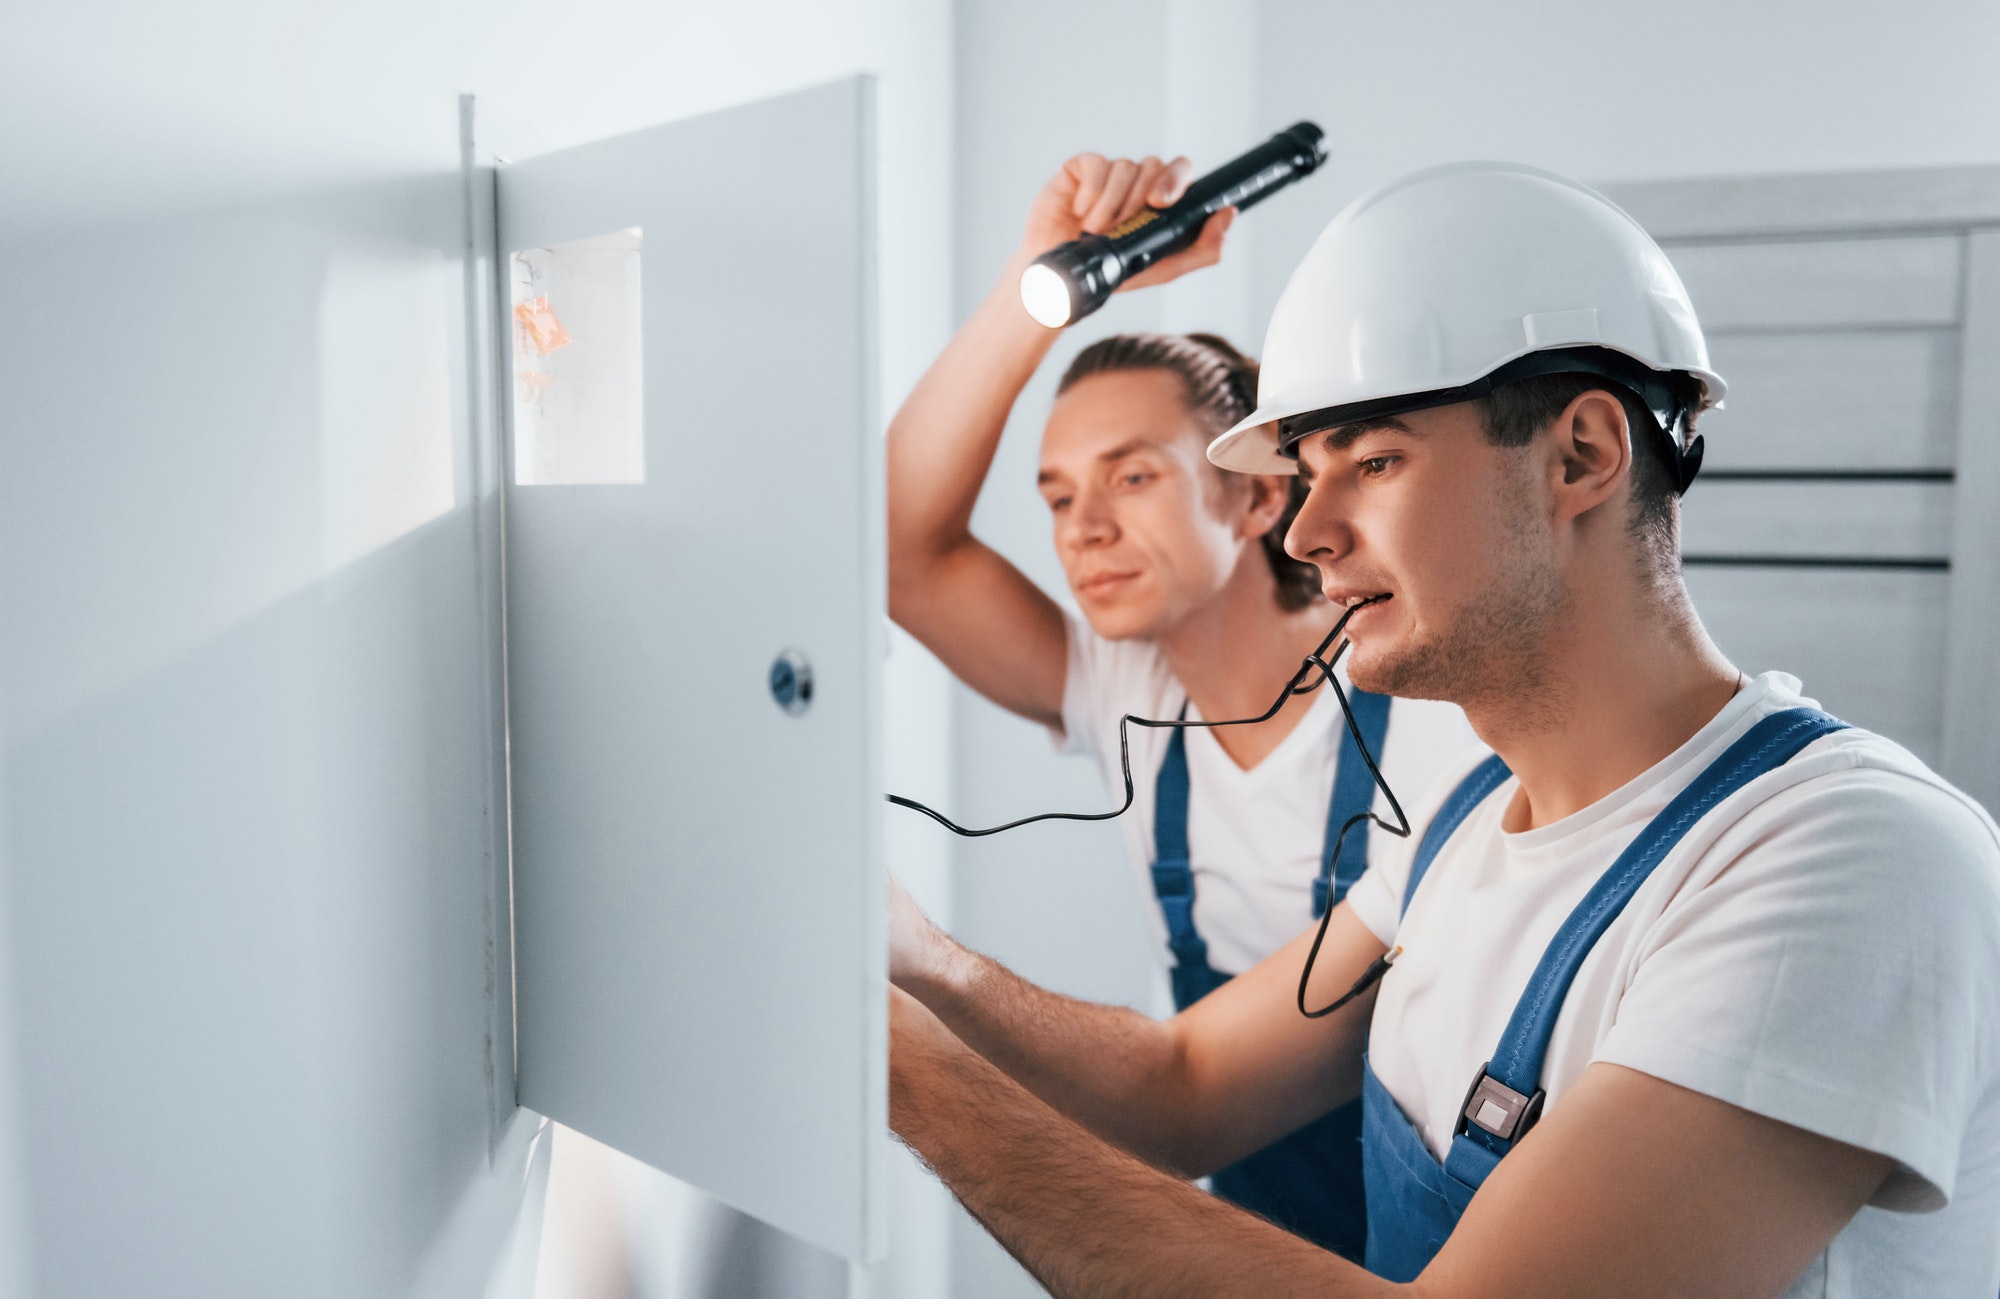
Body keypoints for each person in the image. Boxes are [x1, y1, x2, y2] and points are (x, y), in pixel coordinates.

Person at [884, 161, 2000, 1296]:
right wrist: (916, 965)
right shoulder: (1459, 832)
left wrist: (913, 1074)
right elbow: (1186, 1090)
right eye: (1306, 472)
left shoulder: (1850, 860)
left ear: (1581, 454)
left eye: (1370, 460)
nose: (1308, 531)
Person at [885, 152, 1477, 1257]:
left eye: (1132, 475)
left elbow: (1187, 1086)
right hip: (1250, 1224)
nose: (1082, 528)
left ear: (1257, 494)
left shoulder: (1433, 707)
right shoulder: (1122, 691)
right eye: (1057, 495)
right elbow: (901, 546)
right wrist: (1042, 278)